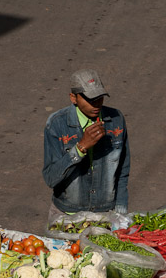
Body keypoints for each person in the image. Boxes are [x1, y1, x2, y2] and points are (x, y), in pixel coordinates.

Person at [43, 68, 130, 220]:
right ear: (73, 98)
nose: (96, 104)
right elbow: (51, 178)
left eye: (100, 98)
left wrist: (121, 211)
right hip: (67, 214)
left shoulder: (116, 120)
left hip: (105, 214)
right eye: (90, 99)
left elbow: (123, 169)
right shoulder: (57, 124)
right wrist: (80, 148)